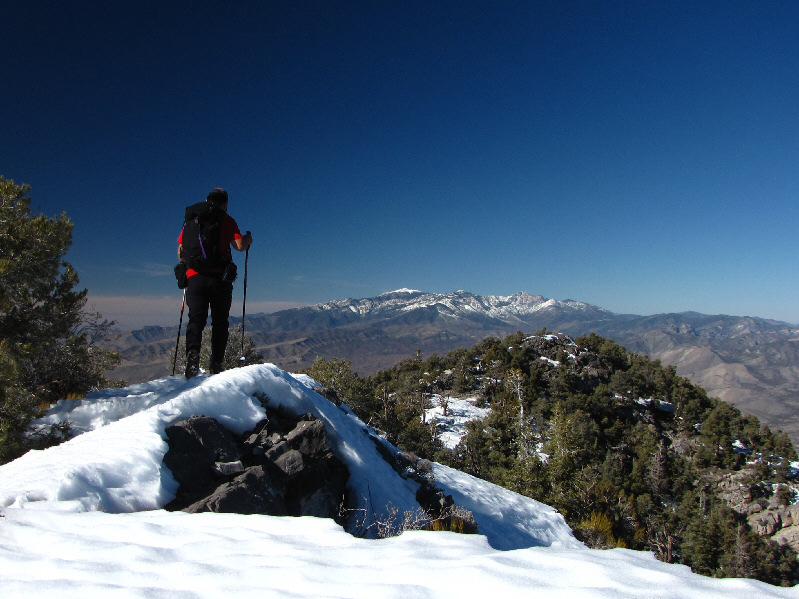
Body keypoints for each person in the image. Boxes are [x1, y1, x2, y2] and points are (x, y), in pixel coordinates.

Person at [177, 188, 253, 378]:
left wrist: (188, 268)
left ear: (207, 200)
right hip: (219, 279)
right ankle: (216, 365)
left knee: (196, 319)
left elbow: (181, 251)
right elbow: (240, 246)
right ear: (225, 203)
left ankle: (192, 359)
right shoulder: (226, 220)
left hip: (195, 278)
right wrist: (248, 238)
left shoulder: (192, 220)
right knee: (220, 322)